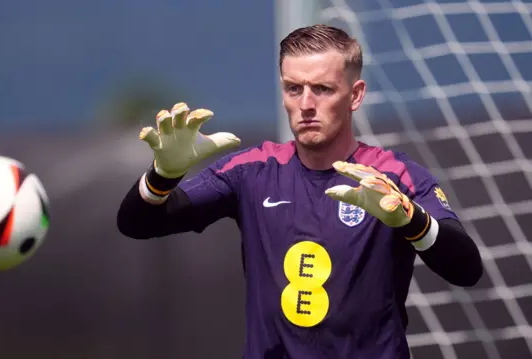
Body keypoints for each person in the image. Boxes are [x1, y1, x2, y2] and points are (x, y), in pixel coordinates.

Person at [117, 24, 483, 359]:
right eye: (294, 88)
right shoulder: (252, 171)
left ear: (355, 95)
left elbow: (467, 268)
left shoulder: (392, 176)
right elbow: (137, 223)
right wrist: (163, 175)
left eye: (322, 89)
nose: (306, 104)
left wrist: (410, 221)